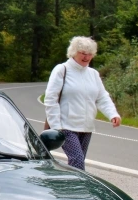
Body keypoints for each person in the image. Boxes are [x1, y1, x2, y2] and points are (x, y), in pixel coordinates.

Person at [44, 36, 121, 171]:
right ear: (74, 52)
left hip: (86, 127)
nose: (87, 57)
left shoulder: (93, 74)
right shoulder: (62, 70)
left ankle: (69, 182)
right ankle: (78, 185)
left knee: (78, 163)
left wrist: (112, 114)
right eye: (83, 53)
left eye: (90, 54)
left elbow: (102, 97)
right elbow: (51, 98)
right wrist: (56, 126)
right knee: (77, 160)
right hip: (66, 126)